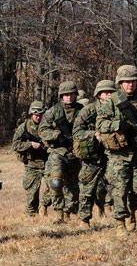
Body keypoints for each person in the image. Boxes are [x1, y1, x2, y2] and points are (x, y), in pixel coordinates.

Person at [96, 65, 137, 236]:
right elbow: (100, 125)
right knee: (119, 189)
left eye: (133, 81)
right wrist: (118, 125)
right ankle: (120, 223)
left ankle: (132, 209)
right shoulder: (111, 101)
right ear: (120, 82)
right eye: (126, 82)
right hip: (119, 153)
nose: (130, 85)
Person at [73, 80, 116, 229]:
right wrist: (94, 134)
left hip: (113, 154)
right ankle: (84, 220)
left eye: (111, 92)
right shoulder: (88, 111)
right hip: (93, 156)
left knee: (117, 185)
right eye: (106, 93)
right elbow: (77, 133)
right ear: (98, 95)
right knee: (87, 189)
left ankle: (119, 217)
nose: (109, 95)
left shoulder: (119, 109)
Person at [38, 81, 84, 224]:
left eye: (71, 94)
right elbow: (42, 130)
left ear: (75, 95)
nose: (69, 97)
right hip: (57, 151)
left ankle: (68, 212)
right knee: (56, 181)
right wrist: (57, 135)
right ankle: (58, 213)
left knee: (73, 185)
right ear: (61, 96)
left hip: (76, 152)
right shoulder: (53, 111)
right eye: (66, 95)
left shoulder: (82, 110)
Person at [12, 101, 51, 217]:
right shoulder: (24, 126)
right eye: (36, 115)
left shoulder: (48, 125)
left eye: (40, 115)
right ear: (31, 114)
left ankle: (43, 205)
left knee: (54, 186)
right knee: (32, 193)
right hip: (32, 163)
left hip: (48, 162)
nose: (38, 117)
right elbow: (15, 145)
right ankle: (31, 216)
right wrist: (30, 145)